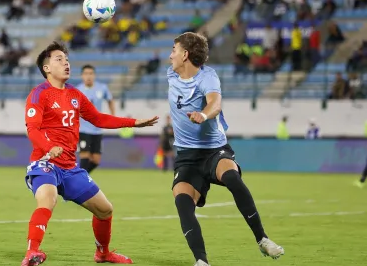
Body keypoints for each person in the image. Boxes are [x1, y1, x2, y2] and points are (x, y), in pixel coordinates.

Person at [22, 41, 158, 266]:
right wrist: (48, 147)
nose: (66, 63)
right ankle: (32, 252)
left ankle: (103, 254)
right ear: (46, 68)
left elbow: (99, 118)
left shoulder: (75, 94)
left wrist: (133, 122)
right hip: (45, 162)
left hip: (70, 167)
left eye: (67, 60)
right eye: (59, 60)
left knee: (105, 210)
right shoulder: (39, 94)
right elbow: (32, 129)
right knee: (48, 199)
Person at [167, 32, 284, 266]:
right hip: (187, 156)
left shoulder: (208, 77)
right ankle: (201, 261)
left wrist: (203, 114)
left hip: (214, 150)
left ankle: (262, 239)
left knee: (232, 177)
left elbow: (215, 104)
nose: (171, 55)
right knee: (182, 202)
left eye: (174, 50)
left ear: (185, 55)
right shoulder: (172, 74)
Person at [76, 65, 115, 174]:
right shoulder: (78, 90)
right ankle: (81, 182)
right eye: (86, 73)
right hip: (83, 129)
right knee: (85, 156)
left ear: (94, 75)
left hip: (97, 129)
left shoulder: (102, 88)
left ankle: (80, 178)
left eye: (91, 73)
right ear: (82, 76)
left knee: (96, 160)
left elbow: (110, 100)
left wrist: (113, 115)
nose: (88, 76)